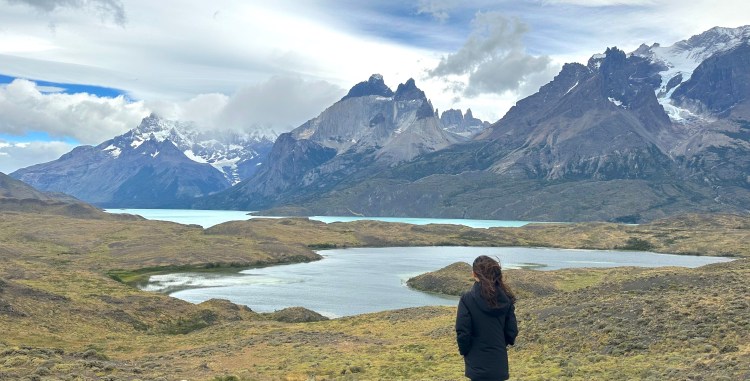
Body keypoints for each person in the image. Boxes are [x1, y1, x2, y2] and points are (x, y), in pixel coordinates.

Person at [456, 255, 519, 381]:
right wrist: (499, 344)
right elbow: (511, 332)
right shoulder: (506, 298)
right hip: (498, 363)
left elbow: (463, 332)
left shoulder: (467, 299)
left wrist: (466, 352)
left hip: (476, 364)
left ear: (474, 274)